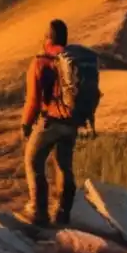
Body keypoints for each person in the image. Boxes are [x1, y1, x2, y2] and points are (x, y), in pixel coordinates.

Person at [21, 19, 77, 226]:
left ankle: (39, 212)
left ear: (48, 38)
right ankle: (63, 214)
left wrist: (26, 125)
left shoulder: (40, 62)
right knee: (64, 165)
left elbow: (33, 100)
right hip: (72, 122)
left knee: (33, 161)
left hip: (51, 121)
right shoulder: (72, 59)